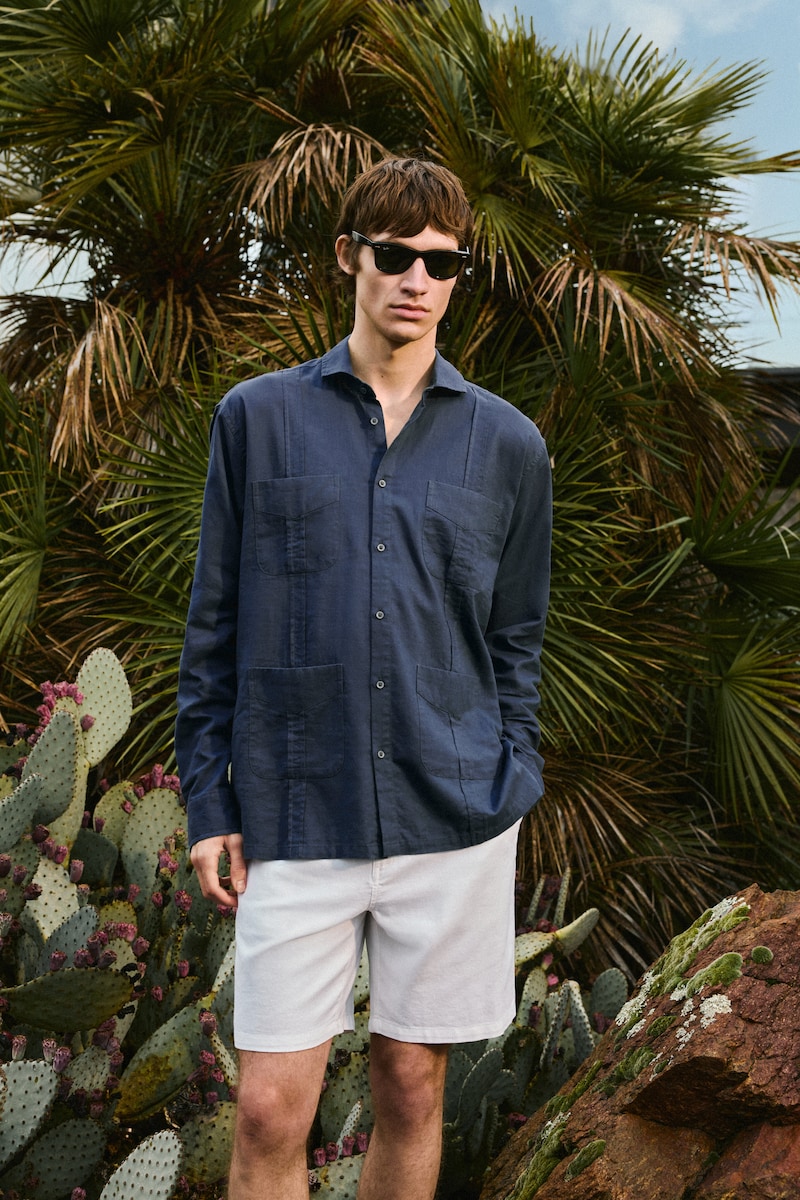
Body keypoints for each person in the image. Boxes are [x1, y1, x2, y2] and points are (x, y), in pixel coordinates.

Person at [175, 157, 552, 1200]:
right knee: (267, 1110)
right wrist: (209, 800)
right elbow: (213, 626)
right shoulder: (256, 419)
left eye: (442, 263)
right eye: (394, 255)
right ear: (350, 256)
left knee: (412, 1090)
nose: (416, 281)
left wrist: (512, 768)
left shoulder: (508, 444)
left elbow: (516, 637)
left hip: (454, 814)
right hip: (296, 806)